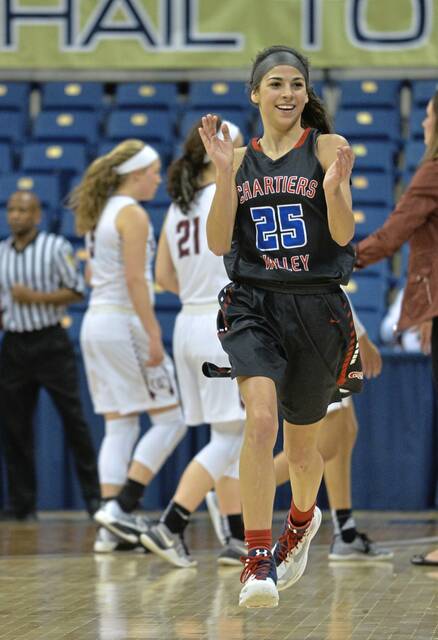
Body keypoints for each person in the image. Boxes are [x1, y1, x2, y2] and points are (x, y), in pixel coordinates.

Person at [198, 45, 362, 608]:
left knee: (302, 449)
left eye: (296, 84)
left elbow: (342, 236)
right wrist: (222, 176)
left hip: (316, 307)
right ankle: (255, 559)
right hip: (253, 303)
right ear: (255, 93)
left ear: (306, 93)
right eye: (275, 84)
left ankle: (299, 522)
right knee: (261, 420)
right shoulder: (237, 158)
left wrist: (337, 191)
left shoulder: (327, 148)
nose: (286, 93)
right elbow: (219, 243)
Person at [68, 140, 188, 553]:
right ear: (135, 174)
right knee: (172, 418)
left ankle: (108, 530)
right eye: (153, 171)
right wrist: (153, 333)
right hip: (123, 322)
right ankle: (123, 507)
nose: (158, 178)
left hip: (94, 323)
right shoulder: (132, 214)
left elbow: (90, 275)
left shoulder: (98, 212)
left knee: (120, 425)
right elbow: (137, 281)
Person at [139, 119, 247, 568]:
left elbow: (162, 277)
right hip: (222, 321)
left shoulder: (177, 207)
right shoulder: (230, 197)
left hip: (187, 322)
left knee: (229, 434)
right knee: (231, 435)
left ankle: (238, 536)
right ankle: (172, 523)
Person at [355, 90, 438, 568]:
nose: (423, 126)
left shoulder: (432, 170)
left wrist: (339, 258)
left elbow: (392, 234)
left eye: (428, 117)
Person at [0, 190, 100, 520]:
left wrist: (35, 297)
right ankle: (21, 505)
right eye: (12, 209)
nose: (16, 215)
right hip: (15, 344)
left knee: (74, 422)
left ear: (37, 215)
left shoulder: (55, 247)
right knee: (14, 428)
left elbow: (76, 290)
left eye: (24, 209)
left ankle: (94, 501)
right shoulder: (1, 252)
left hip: (51, 343)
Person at [274, 304, 393, 561]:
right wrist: (359, 335)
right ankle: (238, 492)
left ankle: (345, 531)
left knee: (345, 431)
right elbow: (329, 278)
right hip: (316, 325)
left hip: (318, 322)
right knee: (324, 442)